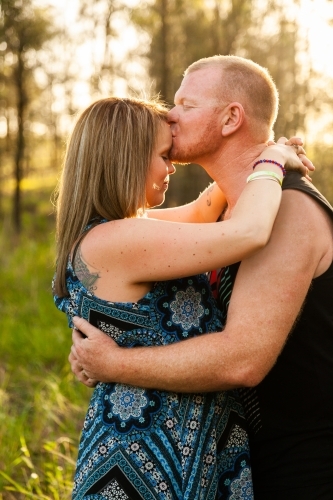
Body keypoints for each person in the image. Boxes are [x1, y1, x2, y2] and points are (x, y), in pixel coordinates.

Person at [70, 55, 333, 500]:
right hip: (200, 458)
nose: (170, 116)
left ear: (232, 117)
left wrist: (114, 363)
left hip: (303, 465)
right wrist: (265, 161)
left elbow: (242, 360)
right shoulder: (233, 214)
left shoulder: (283, 210)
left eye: (186, 104)